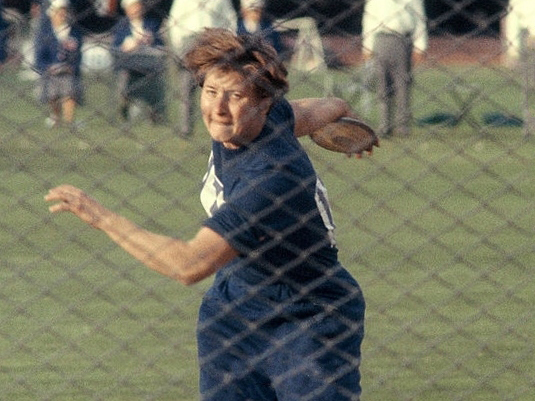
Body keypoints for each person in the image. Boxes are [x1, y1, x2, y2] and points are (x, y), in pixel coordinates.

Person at [46, 28, 367, 400]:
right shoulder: (268, 119)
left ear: (263, 103)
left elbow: (190, 264)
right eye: (211, 91)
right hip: (234, 309)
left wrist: (101, 217)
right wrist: (346, 117)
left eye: (235, 95)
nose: (218, 108)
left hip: (307, 314)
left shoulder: (272, 179)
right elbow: (317, 109)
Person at [167, 0, 237, 137]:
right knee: (186, 87)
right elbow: (174, 20)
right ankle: (186, 126)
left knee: (217, 86)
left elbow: (230, 18)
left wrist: (227, 41)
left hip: (213, 42)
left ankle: (219, 122)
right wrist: (178, 45)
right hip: (189, 40)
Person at [361, 0, 428, 137]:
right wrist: (367, 46)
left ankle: (402, 126)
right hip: (381, 38)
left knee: (402, 84)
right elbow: (368, 19)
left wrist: (420, 45)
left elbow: (420, 18)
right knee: (383, 84)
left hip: (403, 38)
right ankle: (385, 125)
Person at [112, 0, 167, 124]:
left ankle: (156, 115)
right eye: (133, 7)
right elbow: (116, 45)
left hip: (149, 65)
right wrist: (129, 43)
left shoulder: (151, 23)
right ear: (126, 10)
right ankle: (124, 108)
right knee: (124, 81)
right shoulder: (121, 25)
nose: (136, 10)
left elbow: (160, 43)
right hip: (128, 65)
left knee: (155, 84)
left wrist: (150, 40)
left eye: (138, 6)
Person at [34, 0, 84, 128]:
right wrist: (46, 67)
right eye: (58, 12)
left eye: (64, 12)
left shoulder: (74, 32)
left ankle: (69, 120)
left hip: (68, 71)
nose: (61, 15)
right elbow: (40, 55)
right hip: (50, 70)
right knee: (52, 94)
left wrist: (73, 67)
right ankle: (56, 116)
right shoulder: (45, 33)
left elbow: (78, 54)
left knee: (69, 92)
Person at [503, 0, 535, 68]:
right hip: (516, 8)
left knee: (532, 39)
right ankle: (514, 60)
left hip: (532, 8)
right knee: (513, 48)